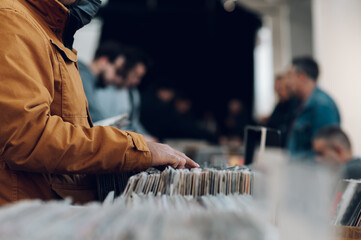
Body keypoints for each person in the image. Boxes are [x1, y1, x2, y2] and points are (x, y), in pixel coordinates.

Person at [0, 0, 198, 205]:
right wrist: (136, 150)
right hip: (29, 214)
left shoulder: (45, 28)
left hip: (46, 208)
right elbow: (26, 137)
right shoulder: (12, 19)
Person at [286, 57, 341, 160]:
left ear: (301, 76)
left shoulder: (322, 106)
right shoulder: (300, 103)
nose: (287, 82)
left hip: (310, 173)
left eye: (290, 76)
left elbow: (325, 153)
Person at [93, 46, 151, 136]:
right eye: (135, 75)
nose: (137, 81)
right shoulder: (102, 86)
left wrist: (146, 137)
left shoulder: (133, 94)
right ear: (126, 68)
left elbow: (134, 123)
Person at [79, 41, 126, 122]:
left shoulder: (87, 78)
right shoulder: (82, 76)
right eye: (117, 71)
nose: (116, 79)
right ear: (103, 61)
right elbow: (92, 115)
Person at [267, 74, 300, 148]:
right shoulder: (279, 104)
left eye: (280, 89)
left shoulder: (295, 105)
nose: (278, 92)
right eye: (276, 88)